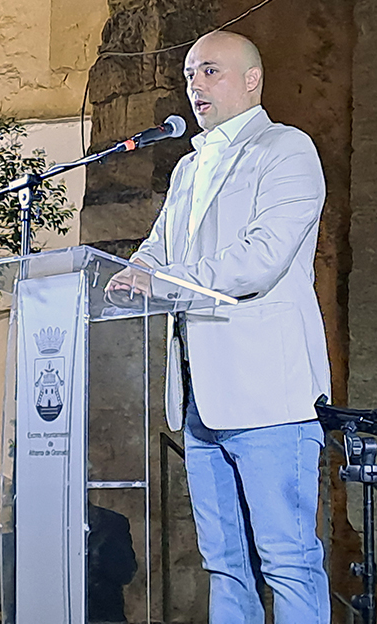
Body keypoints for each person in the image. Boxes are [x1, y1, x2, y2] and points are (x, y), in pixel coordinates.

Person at [108, 30, 331, 623]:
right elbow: (157, 248)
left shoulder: (286, 149)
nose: (194, 85)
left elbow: (260, 259)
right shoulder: (188, 167)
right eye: (189, 74)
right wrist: (131, 273)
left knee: (287, 561)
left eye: (210, 70)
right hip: (198, 398)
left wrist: (161, 282)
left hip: (268, 395)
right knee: (224, 566)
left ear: (252, 79)